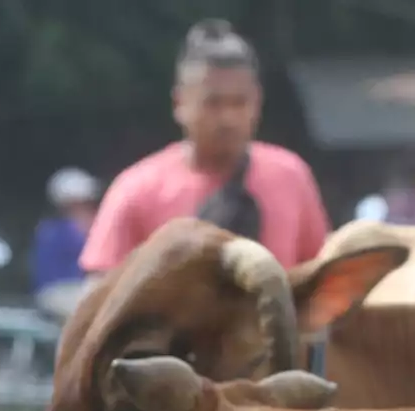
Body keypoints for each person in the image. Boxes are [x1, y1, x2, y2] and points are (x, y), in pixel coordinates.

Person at [79, 19, 329, 276]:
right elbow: (100, 292)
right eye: (213, 103)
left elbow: (321, 280)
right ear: (179, 103)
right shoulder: (136, 190)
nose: (227, 118)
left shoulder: (291, 177)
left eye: (239, 103)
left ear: (257, 101)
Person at [32, 167, 99, 319]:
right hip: (57, 291)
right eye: (85, 202)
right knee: (99, 309)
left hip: (77, 288)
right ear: (70, 204)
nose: (91, 206)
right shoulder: (57, 230)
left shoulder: (65, 228)